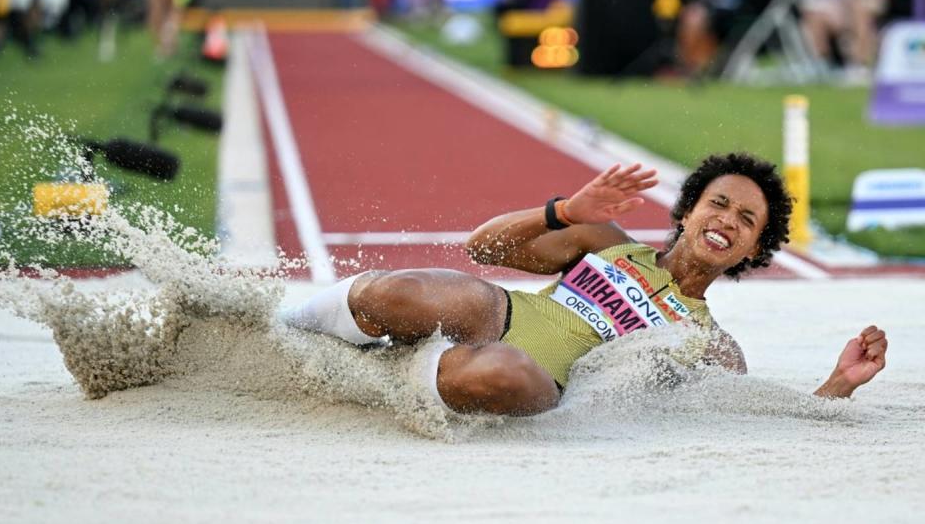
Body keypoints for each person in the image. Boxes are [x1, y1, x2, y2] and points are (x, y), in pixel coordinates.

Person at [279, 154, 888, 416]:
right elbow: (482, 247)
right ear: (688, 211)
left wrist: (837, 385)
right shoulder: (606, 242)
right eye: (718, 203)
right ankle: (281, 336)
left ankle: (383, 379)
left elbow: (753, 412)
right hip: (496, 316)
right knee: (430, 291)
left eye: (746, 220)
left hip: (541, 384)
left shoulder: (712, 344)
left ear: (753, 249)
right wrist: (566, 210)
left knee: (503, 372)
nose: (727, 220)